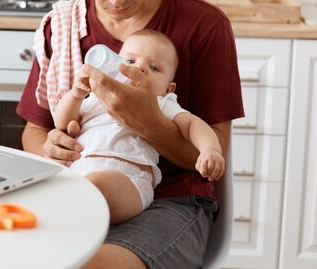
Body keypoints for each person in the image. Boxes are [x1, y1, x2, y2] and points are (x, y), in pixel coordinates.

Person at [16, 0, 244, 269]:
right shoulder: (63, 26)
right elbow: (33, 132)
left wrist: (146, 121)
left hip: (171, 200)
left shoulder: (204, 25)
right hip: (77, 190)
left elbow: (212, 152)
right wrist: (49, 149)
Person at [54, 29, 225, 225]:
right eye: (129, 62)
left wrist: (210, 149)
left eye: (154, 68)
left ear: (168, 88)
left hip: (128, 180)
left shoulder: (160, 102)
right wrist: (76, 95)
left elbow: (193, 125)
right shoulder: (98, 95)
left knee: (97, 187)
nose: (139, 69)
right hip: (78, 172)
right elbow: (62, 122)